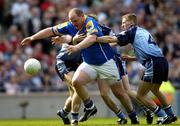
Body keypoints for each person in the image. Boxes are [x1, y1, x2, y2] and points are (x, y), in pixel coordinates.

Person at [21, 9, 139, 125]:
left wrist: (76, 47)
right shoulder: (71, 25)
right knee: (76, 82)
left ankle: (133, 116)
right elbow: (51, 30)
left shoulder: (90, 22)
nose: (73, 23)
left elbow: (92, 38)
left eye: (75, 21)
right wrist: (32, 38)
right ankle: (89, 107)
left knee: (119, 93)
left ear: (83, 16)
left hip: (106, 62)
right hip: (89, 63)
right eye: (71, 21)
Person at [66, 13, 177, 124]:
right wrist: (132, 58)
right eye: (122, 23)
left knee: (139, 95)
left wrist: (94, 39)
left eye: (124, 22)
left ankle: (162, 115)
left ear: (132, 23)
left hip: (149, 63)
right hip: (162, 61)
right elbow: (147, 49)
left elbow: (111, 39)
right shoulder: (143, 31)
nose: (122, 25)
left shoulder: (128, 32)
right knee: (154, 90)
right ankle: (171, 114)